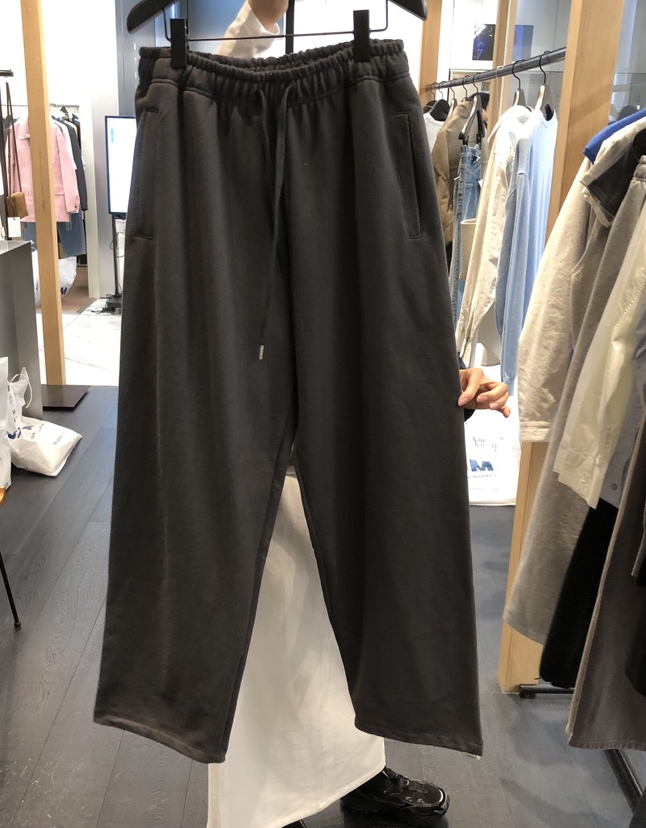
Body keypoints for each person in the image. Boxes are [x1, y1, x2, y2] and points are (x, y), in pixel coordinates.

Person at [206, 4, 510, 827]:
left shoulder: (382, 106)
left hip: (351, 377)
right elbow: (223, 95)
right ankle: (265, 807)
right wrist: (258, 15)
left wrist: (437, 387)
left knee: (363, 592)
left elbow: (391, 294)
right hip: (252, 366)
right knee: (269, 613)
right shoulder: (234, 104)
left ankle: (358, 774)